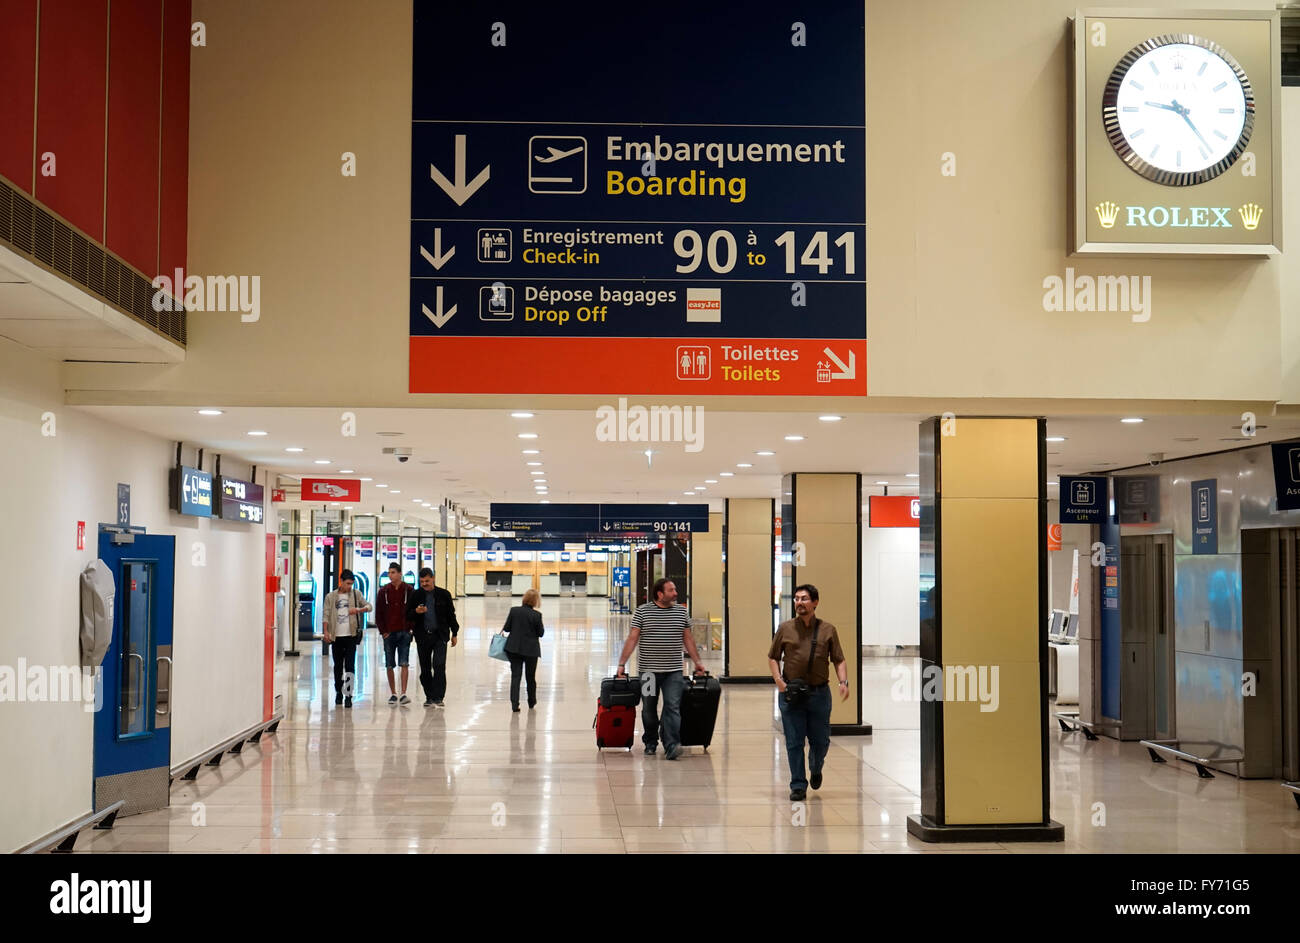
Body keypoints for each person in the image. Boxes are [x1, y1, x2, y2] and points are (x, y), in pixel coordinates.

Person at [768, 584, 849, 801]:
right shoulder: (785, 628)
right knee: (794, 741)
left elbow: (839, 659)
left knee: (820, 740)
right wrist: (779, 681)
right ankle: (798, 785)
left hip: (819, 694)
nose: (799, 603)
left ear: (815, 602)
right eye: (796, 599)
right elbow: (773, 656)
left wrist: (844, 682)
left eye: (804, 599)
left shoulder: (828, 630)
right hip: (791, 694)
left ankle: (815, 766)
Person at [614, 578, 706, 760]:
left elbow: (688, 638)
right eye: (671, 590)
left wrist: (697, 661)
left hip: (673, 671)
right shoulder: (642, 612)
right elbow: (633, 638)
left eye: (675, 590)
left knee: (672, 706)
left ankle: (672, 744)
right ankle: (650, 741)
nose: (676, 593)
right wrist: (622, 663)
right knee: (649, 707)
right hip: (648, 671)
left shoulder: (681, 612)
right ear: (660, 594)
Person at [406, 567, 459, 708]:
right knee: (425, 668)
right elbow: (407, 614)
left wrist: (455, 633)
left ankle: (439, 696)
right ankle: (429, 696)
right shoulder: (415, 595)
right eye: (422, 581)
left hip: (440, 635)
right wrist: (416, 612)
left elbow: (451, 615)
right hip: (423, 636)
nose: (424, 584)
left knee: (439, 665)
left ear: (433, 578)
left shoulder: (444, 594)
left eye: (427, 581)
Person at [322, 569, 372, 709]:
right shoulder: (331, 597)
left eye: (351, 584)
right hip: (336, 637)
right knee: (338, 667)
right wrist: (326, 632)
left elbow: (369, 606)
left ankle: (348, 695)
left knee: (350, 666)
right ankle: (339, 692)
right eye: (348, 583)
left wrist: (358, 610)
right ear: (341, 581)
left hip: (351, 637)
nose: (349, 586)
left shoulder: (356, 594)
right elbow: (325, 615)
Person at [375, 562, 414, 705]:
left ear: (399, 573)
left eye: (393, 572)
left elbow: (414, 610)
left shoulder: (409, 590)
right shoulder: (383, 592)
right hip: (389, 633)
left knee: (404, 662)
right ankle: (393, 693)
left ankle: (403, 693)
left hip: (404, 632)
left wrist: (410, 629)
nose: (390, 575)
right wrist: (383, 631)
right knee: (389, 664)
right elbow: (379, 613)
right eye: (389, 572)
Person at [501, 587, 545, 712]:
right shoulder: (537, 615)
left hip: (513, 648)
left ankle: (514, 704)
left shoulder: (514, 611)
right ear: (535, 601)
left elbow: (507, 628)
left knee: (516, 676)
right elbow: (541, 633)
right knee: (530, 677)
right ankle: (531, 701)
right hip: (531, 650)